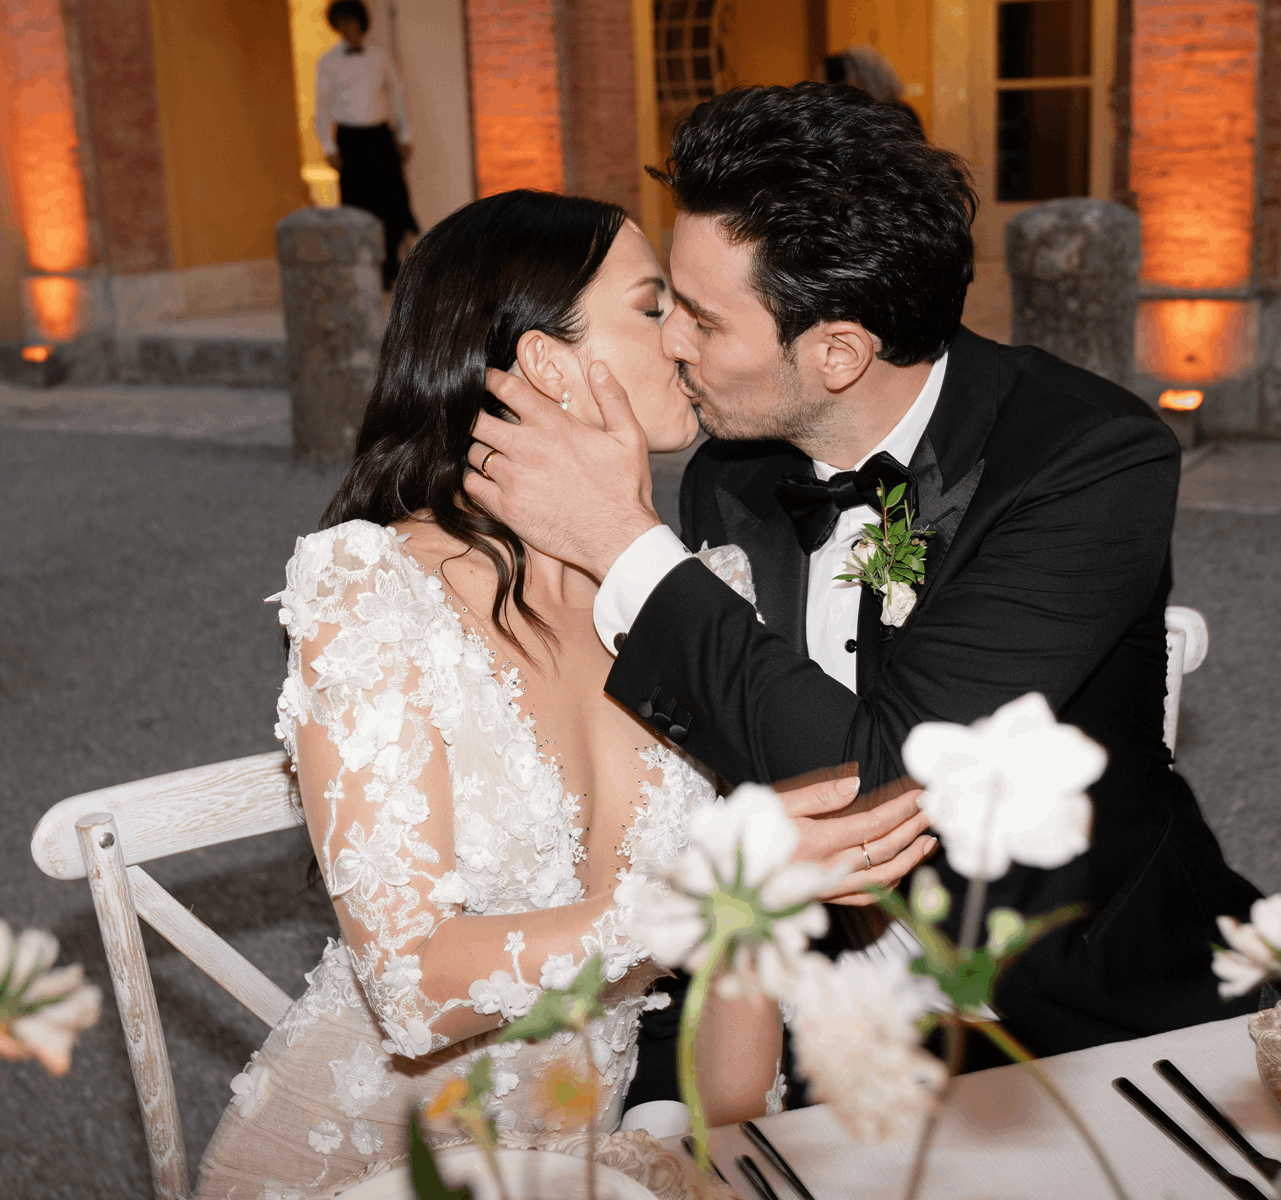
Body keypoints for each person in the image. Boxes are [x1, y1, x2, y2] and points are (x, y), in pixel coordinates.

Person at [462, 83, 1266, 1063]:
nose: (671, 343)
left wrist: (620, 544)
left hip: (1076, 1004)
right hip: (815, 1014)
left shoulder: (1089, 461)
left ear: (838, 352)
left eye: (706, 323)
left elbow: (885, 788)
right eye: (668, 301)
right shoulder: (732, 475)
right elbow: (729, 742)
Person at [194, 190, 933, 1198]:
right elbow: (411, 989)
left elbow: (734, 980)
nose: (686, 336)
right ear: (547, 362)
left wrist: (733, 1132)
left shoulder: (703, 595)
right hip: (365, 1165)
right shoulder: (370, 588)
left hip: (577, 1159)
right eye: (650, 306)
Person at [317, 0, 418, 288]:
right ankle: (362, 267)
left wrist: (405, 136)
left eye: (351, 21)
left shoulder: (379, 56)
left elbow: (397, 97)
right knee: (357, 204)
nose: (347, 27)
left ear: (361, 23)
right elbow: (321, 108)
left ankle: (391, 266)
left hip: (380, 137)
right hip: (350, 140)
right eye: (341, 22)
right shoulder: (327, 62)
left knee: (391, 200)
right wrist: (328, 147)